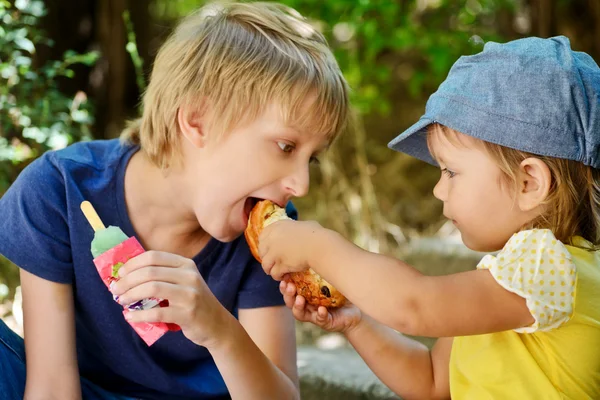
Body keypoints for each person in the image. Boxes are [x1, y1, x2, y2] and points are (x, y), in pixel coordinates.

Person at [0, 2, 350, 399]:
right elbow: (51, 387)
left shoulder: (268, 233)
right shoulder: (60, 191)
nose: (301, 184)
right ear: (197, 120)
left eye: (312, 159)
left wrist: (220, 331)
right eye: (286, 146)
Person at [259, 36, 600, 399]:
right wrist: (355, 320)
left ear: (528, 182)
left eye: (451, 171)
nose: (438, 190)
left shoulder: (550, 268)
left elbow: (413, 305)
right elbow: (432, 381)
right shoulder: (512, 284)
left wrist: (317, 245)